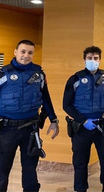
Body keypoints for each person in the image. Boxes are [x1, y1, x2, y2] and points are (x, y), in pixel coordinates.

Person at [0, 40, 59, 192]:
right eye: (23, 51)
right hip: (6, 130)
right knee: (1, 171)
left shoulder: (38, 74)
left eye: (30, 53)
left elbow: (45, 98)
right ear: (15, 52)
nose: (26, 55)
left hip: (31, 129)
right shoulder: (3, 73)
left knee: (30, 171)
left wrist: (53, 119)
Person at [63, 46, 104, 192]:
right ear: (84, 59)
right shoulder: (75, 78)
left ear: (100, 60)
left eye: (95, 58)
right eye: (89, 58)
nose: (93, 61)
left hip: (103, 127)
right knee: (80, 163)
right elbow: (66, 105)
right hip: (82, 128)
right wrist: (83, 120)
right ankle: (80, 189)